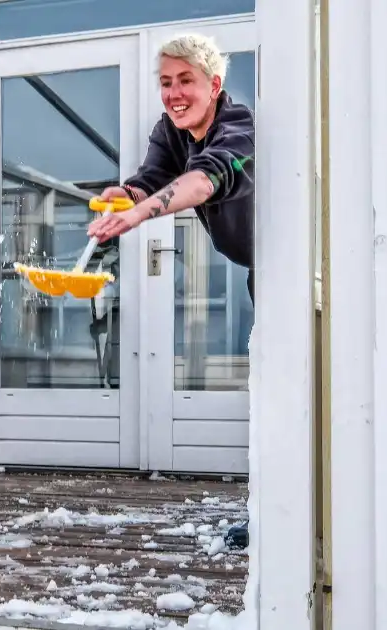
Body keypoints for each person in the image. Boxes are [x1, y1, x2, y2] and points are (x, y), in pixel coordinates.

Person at [87, 33, 254, 548]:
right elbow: (153, 176)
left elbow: (204, 182)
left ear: (214, 84)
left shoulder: (238, 126)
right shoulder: (172, 129)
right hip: (259, 268)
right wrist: (127, 194)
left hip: (298, 270)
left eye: (186, 81)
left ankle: (281, 509)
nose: (174, 93)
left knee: (286, 392)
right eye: (165, 83)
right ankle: (269, 506)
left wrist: (139, 214)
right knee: (269, 393)